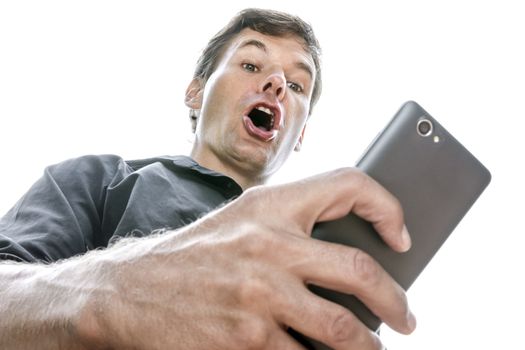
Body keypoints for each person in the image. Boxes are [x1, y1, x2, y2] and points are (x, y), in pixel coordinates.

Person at [0, 8, 416, 350]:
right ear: (195, 94)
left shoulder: (319, 261)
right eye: (251, 64)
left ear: (301, 134)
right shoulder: (98, 178)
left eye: (296, 84)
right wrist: (117, 297)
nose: (276, 84)